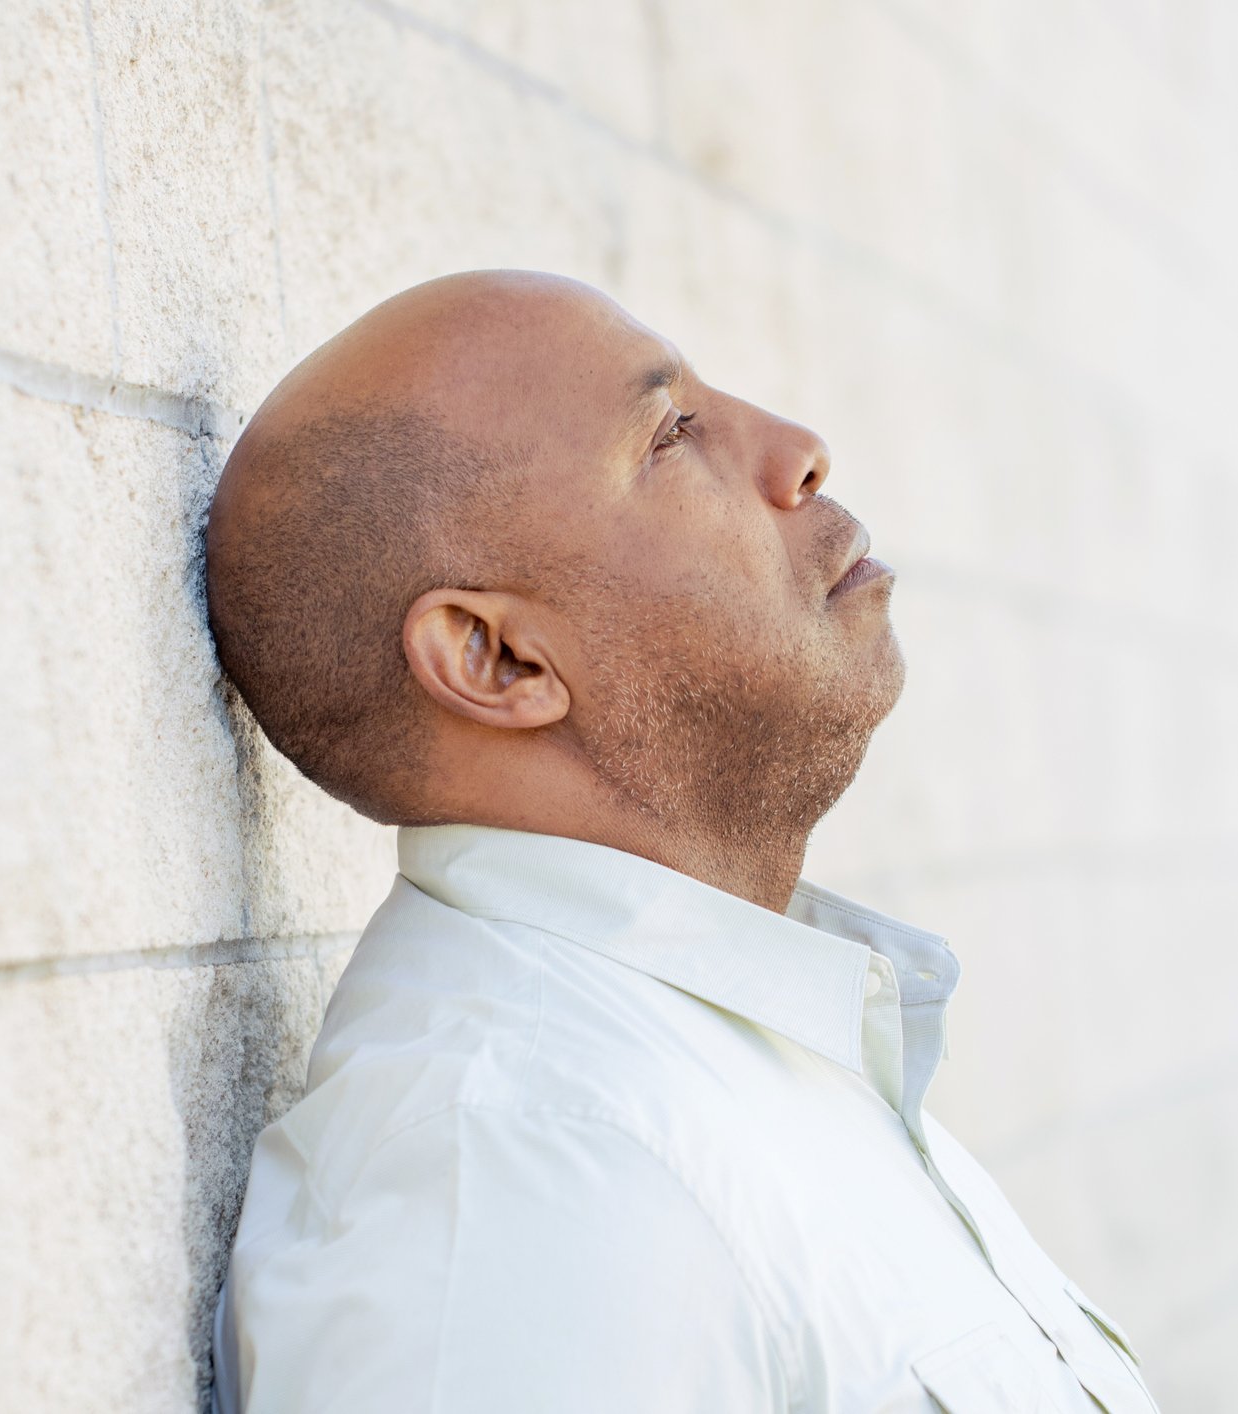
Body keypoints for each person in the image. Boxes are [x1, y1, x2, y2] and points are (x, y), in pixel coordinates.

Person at [202, 271, 1160, 1412]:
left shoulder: (724, 1063)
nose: (800, 451)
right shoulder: (518, 1177)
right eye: (669, 435)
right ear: (498, 659)